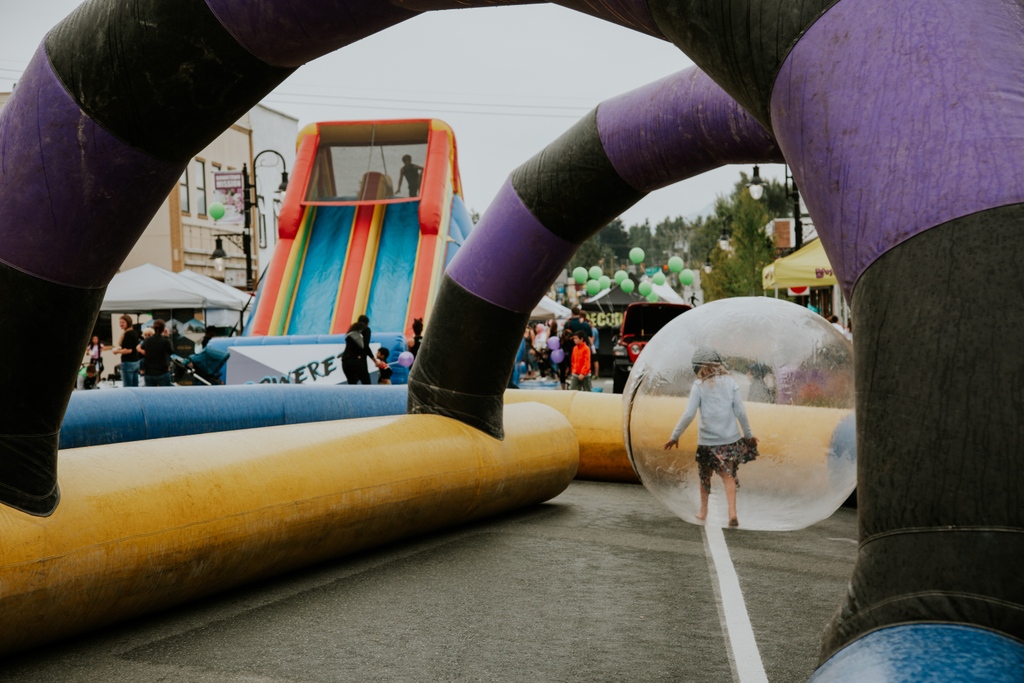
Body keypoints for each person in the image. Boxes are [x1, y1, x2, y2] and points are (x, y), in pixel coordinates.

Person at [662, 348, 758, 528]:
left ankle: (703, 511)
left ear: (697, 368)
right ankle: (732, 512)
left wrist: (675, 436)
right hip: (729, 439)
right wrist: (748, 435)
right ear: (718, 364)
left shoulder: (699, 386)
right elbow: (740, 412)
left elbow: (689, 414)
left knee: (704, 477)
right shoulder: (731, 383)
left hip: (707, 441)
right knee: (728, 476)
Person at [137, 319, 175, 387]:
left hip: (149, 372)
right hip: (162, 371)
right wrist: (167, 337)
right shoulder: (165, 341)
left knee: (150, 395)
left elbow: (140, 355)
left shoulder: (147, 340)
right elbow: (171, 352)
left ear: (153, 328)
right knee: (166, 394)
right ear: (164, 329)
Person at [342, 315, 373, 385]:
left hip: (345, 361)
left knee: (352, 385)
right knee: (367, 384)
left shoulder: (351, 330)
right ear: (367, 323)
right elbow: (365, 347)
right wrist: (375, 360)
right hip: (357, 361)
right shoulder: (366, 329)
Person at [112, 314, 141, 387]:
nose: (120, 324)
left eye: (123, 322)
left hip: (128, 362)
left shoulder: (127, 334)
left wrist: (117, 351)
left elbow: (128, 350)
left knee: (127, 386)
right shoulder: (134, 332)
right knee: (135, 385)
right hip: (136, 362)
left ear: (128, 322)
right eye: (120, 322)